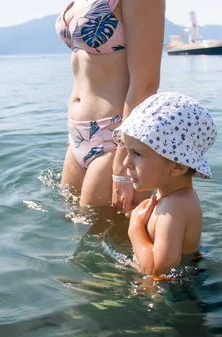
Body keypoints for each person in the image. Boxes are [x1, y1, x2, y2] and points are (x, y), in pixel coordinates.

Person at [55, 0, 165, 212]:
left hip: (115, 137)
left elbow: (146, 84)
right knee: (70, 219)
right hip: (79, 132)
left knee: (102, 232)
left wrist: (122, 162)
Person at [113, 92, 217, 276]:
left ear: (177, 166)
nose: (126, 162)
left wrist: (135, 228)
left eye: (137, 154)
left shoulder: (175, 207)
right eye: (127, 152)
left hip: (174, 298)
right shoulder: (170, 196)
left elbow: (158, 271)